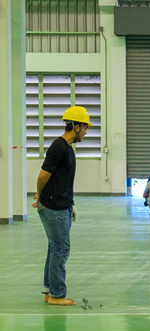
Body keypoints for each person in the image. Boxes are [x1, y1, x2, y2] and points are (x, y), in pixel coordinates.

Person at [31, 106, 91, 306]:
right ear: (75, 126)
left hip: (61, 206)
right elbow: (42, 176)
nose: (86, 131)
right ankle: (57, 294)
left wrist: (70, 204)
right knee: (61, 248)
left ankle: (50, 291)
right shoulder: (58, 147)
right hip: (54, 208)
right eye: (84, 127)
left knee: (54, 248)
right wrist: (40, 196)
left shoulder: (67, 148)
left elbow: (61, 180)